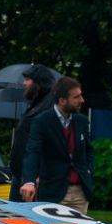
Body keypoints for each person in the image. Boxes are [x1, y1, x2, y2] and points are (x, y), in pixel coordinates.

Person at [20, 75, 93, 214]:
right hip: (53, 191)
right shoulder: (42, 121)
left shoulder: (82, 121)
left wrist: (89, 169)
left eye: (81, 95)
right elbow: (32, 152)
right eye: (76, 97)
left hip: (80, 192)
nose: (82, 100)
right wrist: (29, 181)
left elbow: (89, 150)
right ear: (62, 100)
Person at [8, 65, 57, 195]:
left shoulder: (49, 107)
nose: (24, 83)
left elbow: (50, 144)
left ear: (38, 83)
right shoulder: (37, 104)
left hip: (31, 180)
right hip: (22, 176)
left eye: (28, 80)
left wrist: (36, 176)